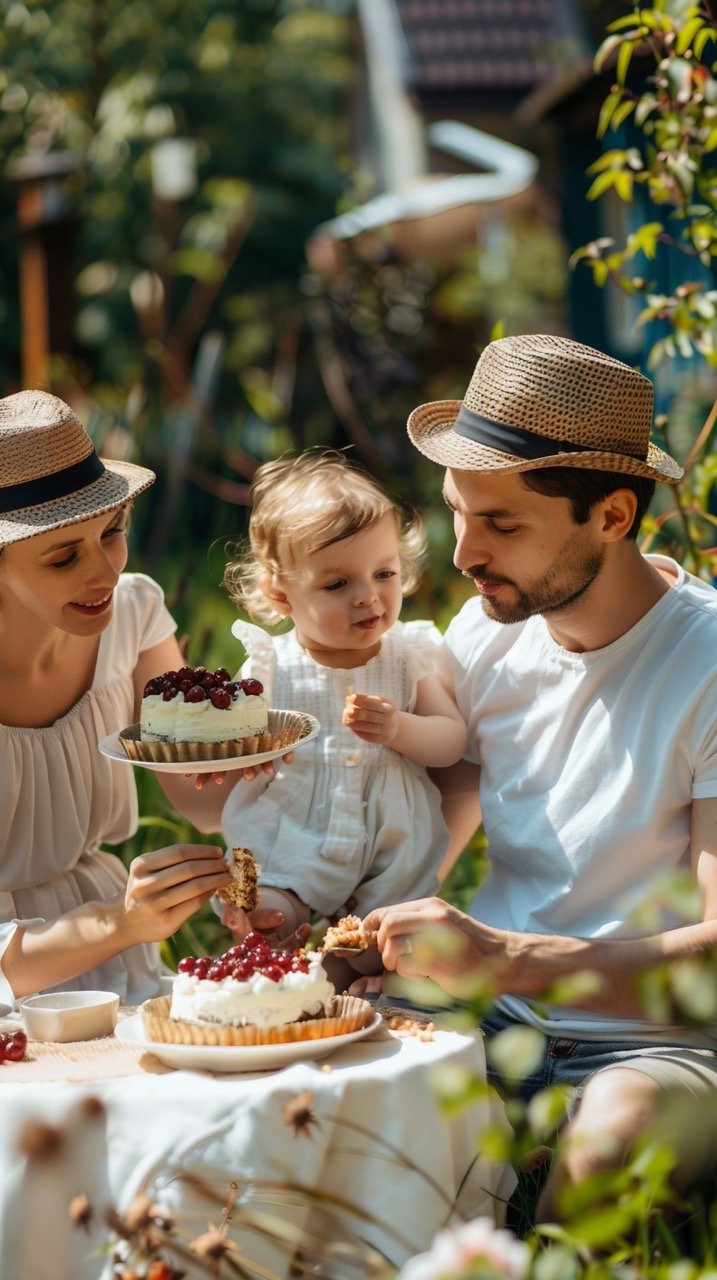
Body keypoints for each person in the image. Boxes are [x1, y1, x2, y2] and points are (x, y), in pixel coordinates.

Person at [359, 333, 717, 1216]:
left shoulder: (704, 662)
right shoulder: (487, 634)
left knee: (610, 1140)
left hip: (662, 1046)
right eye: (456, 510)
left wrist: (509, 960)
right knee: (313, 1061)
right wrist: (353, 920)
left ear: (612, 515)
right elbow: (450, 813)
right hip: (492, 1013)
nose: (460, 554)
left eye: (501, 524)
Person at [188, 449, 467, 970]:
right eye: (338, 584)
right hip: (293, 828)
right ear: (282, 594)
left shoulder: (409, 654)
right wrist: (236, 753)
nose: (369, 597)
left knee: (383, 941)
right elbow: (232, 740)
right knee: (264, 901)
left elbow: (452, 740)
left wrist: (401, 728)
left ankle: (354, 965)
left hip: (390, 839)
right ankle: (269, 925)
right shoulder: (269, 666)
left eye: (384, 573)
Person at [0, 389, 233, 1007]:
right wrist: (123, 922)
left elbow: (202, 802)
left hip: (118, 968)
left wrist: (248, 757)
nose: (103, 573)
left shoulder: (133, 612)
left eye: (113, 532)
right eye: (62, 557)